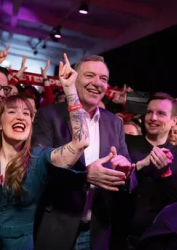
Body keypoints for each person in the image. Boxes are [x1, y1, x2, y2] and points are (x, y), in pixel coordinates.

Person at [0, 54, 91, 250]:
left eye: (27, 113)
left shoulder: (39, 158)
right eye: (12, 111)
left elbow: (81, 141)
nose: (21, 117)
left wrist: (70, 89)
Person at [33, 54, 131, 250]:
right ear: (74, 78)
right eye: (90, 75)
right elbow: (38, 169)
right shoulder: (49, 115)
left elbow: (127, 167)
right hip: (57, 225)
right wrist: (84, 177)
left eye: (103, 79)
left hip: (97, 230)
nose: (97, 83)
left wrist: (125, 171)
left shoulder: (114, 123)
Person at [120, 92, 177, 249]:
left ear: (174, 121)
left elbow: (175, 202)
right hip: (117, 233)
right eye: (150, 112)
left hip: (154, 240)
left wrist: (165, 174)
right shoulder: (126, 143)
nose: (153, 118)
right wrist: (139, 167)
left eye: (161, 113)